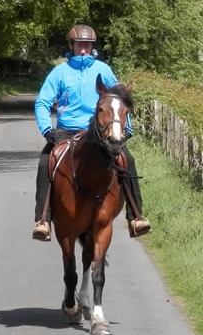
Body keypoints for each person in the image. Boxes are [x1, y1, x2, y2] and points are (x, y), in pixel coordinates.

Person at [32, 24, 151, 241]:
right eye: (80, 46)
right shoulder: (60, 72)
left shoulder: (103, 70)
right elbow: (42, 102)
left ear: (92, 46)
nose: (84, 50)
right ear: (72, 46)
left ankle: (136, 216)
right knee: (45, 162)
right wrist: (48, 129)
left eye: (87, 45)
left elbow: (120, 100)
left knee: (127, 160)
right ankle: (43, 220)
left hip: (99, 133)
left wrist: (127, 129)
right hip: (66, 131)